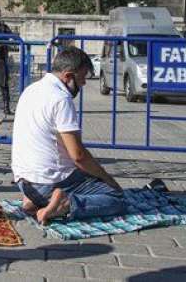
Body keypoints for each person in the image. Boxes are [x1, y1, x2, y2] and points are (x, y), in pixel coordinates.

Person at [11, 46, 125, 225]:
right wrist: (107, 178)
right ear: (68, 76)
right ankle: (64, 204)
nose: (84, 84)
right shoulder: (61, 99)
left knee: (87, 176)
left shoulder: (31, 89)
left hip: (25, 182)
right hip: (47, 182)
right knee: (117, 199)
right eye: (82, 78)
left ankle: (36, 201)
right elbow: (78, 156)